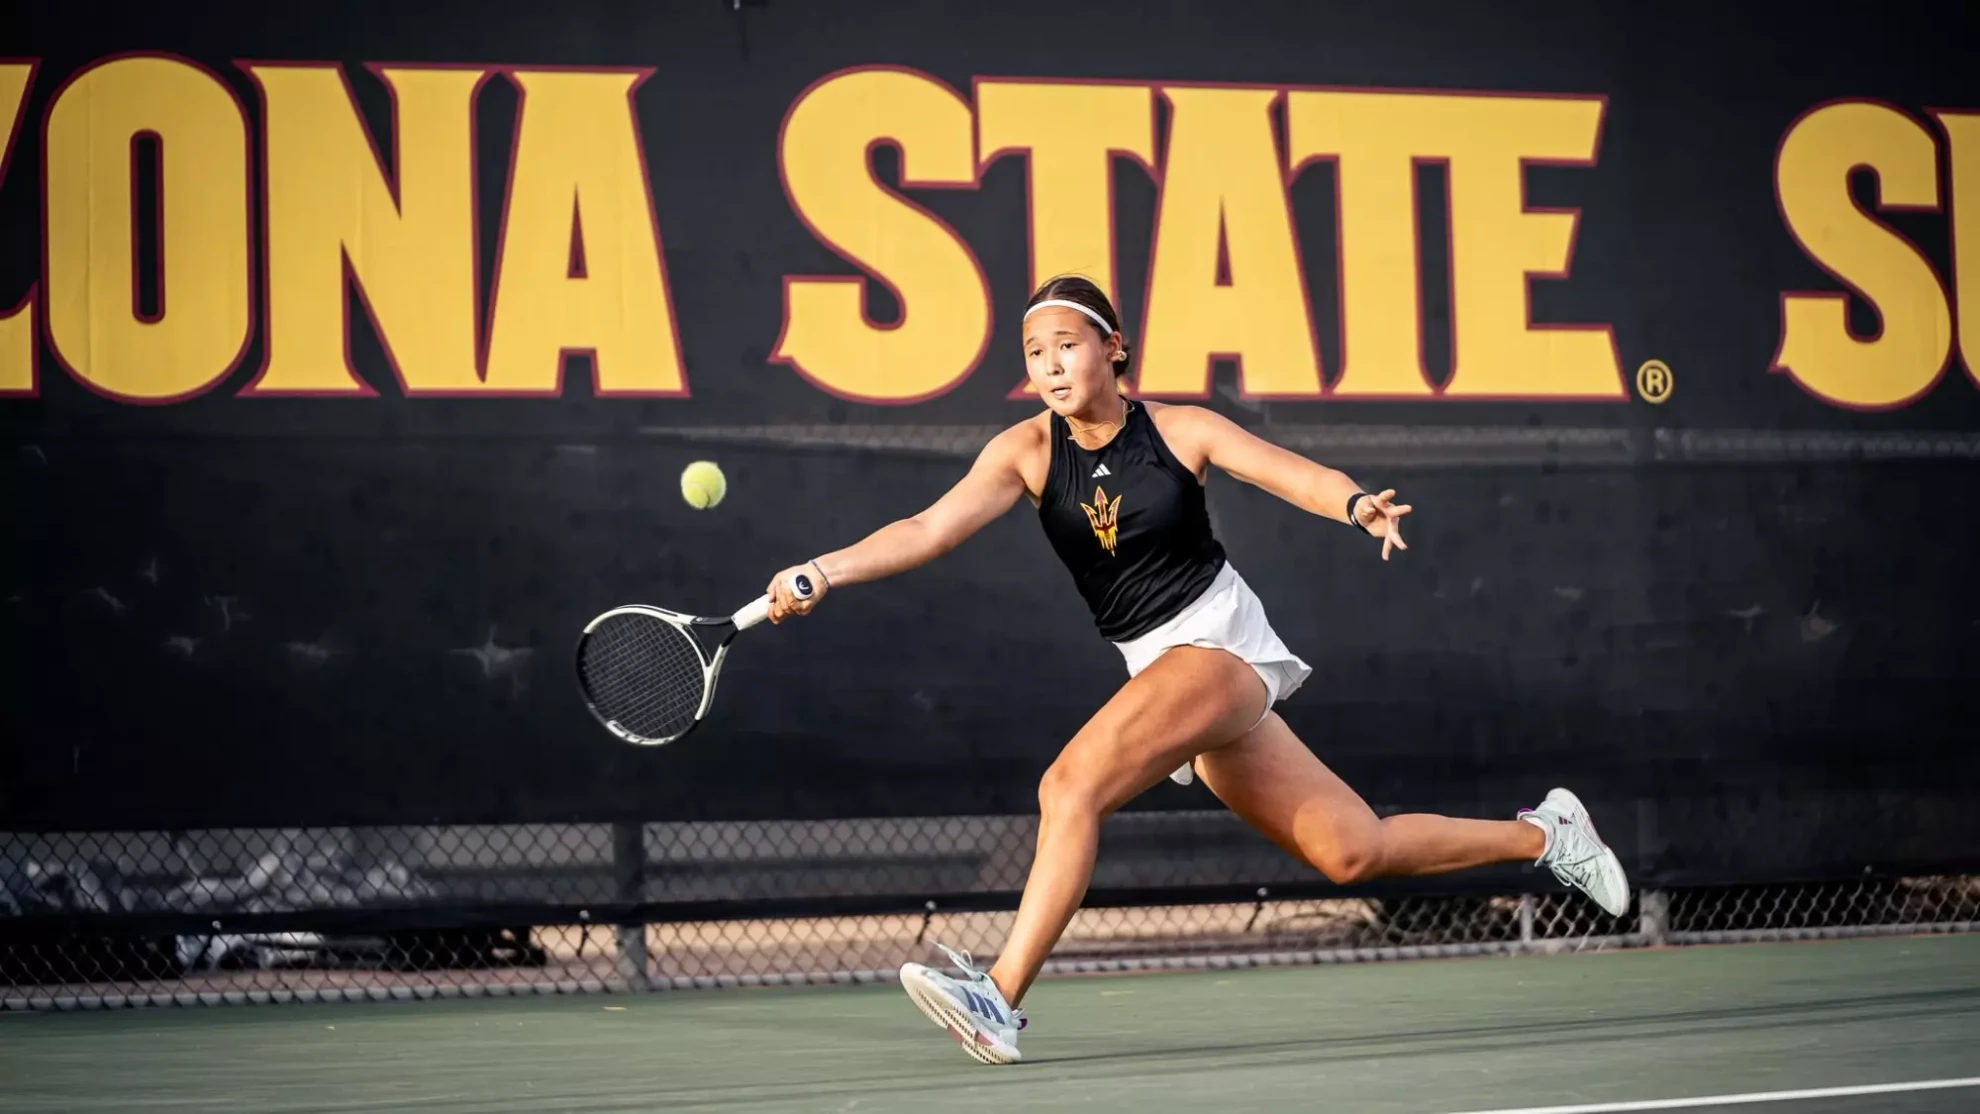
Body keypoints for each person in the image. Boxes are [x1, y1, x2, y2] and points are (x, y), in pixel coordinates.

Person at [760, 275, 1629, 1066]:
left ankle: (998, 995)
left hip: (1219, 650)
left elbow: (1288, 474)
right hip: (1163, 670)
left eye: (1067, 344)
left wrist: (1357, 504)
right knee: (1355, 852)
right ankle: (1551, 834)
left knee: (1070, 787)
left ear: (1113, 349)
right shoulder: (1025, 453)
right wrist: (825, 569)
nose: (1051, 366)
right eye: (1034, 353)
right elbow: (925, 530)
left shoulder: (1181, 430)